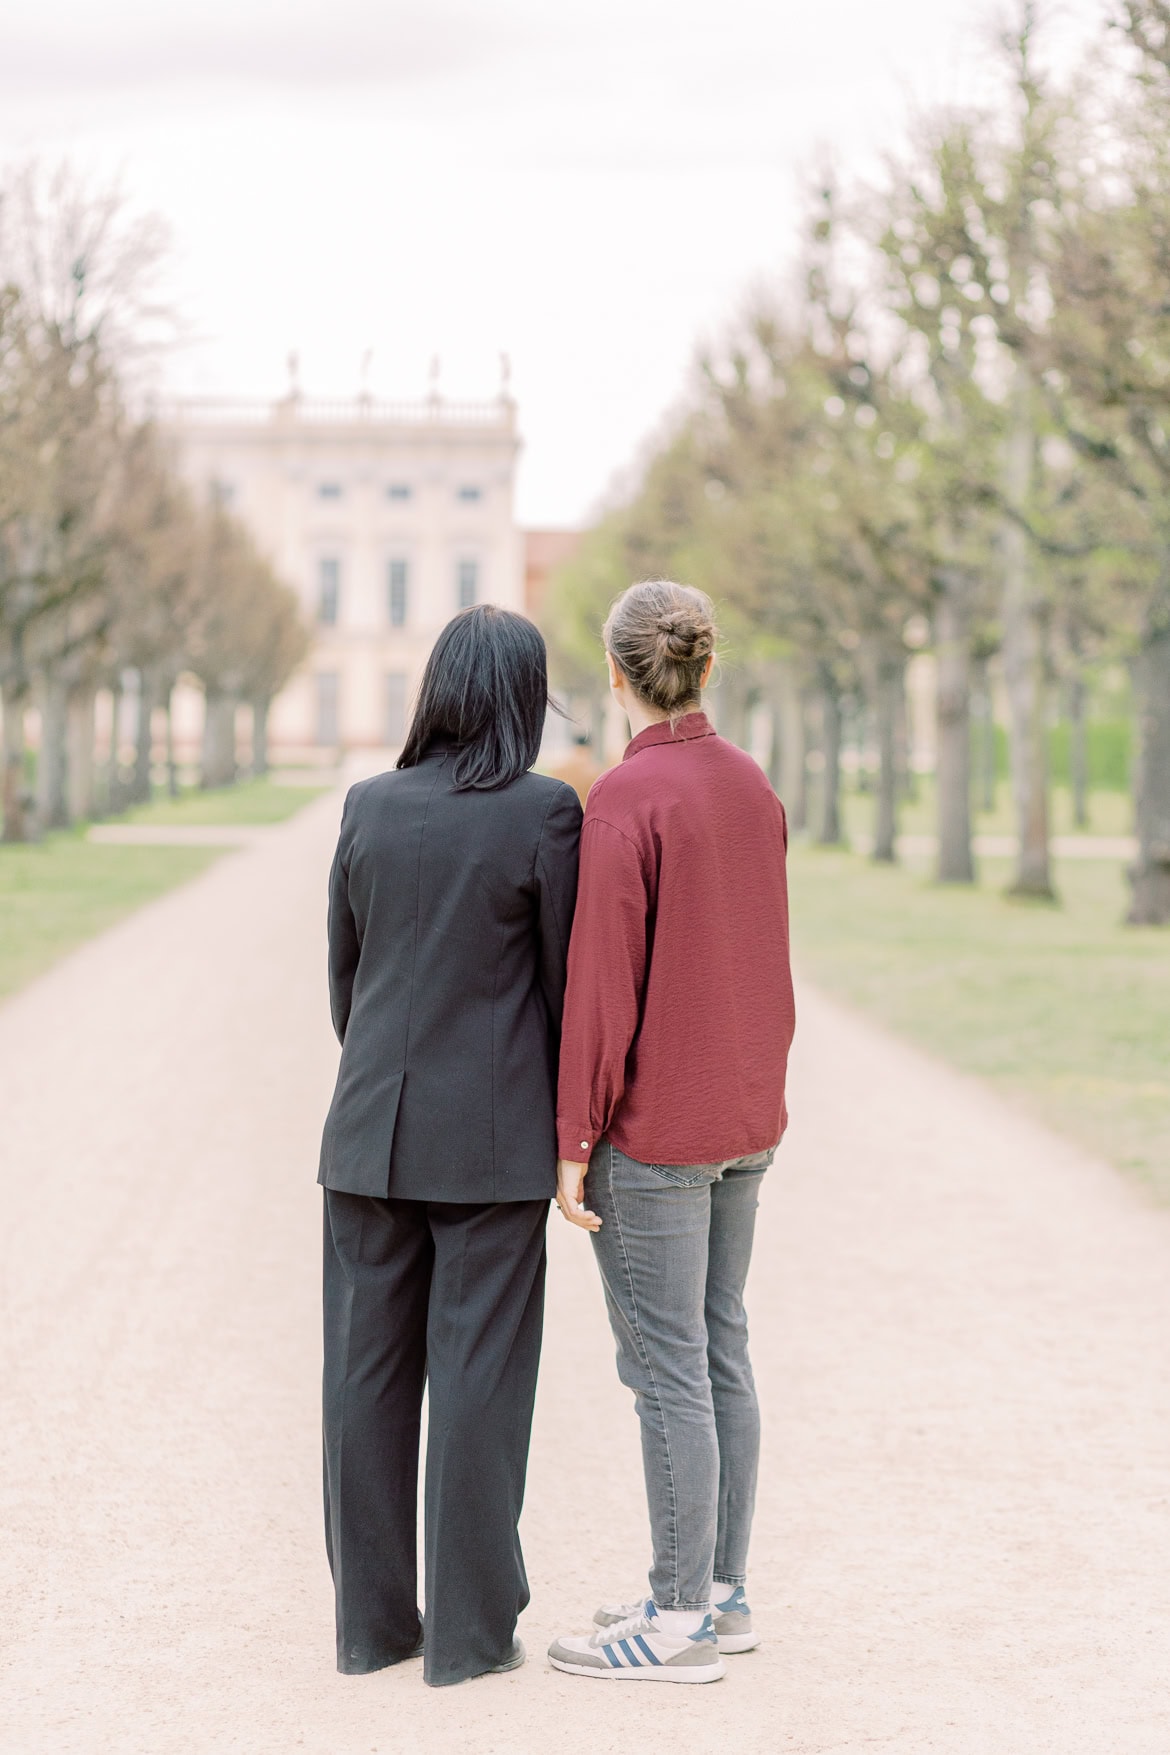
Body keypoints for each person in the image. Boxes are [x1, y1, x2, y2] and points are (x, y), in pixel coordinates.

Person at [318, 606, 582, 1687]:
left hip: (369, 1130)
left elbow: (345, 979)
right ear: (524, 697)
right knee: (479, 1382)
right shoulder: (546, 813)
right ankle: (472, 1638)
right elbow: (567, 989)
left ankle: (372, 1631)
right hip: (493, 1141)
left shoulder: (368, 806)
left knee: (362, 1380)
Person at [547, 580, 795, 1684]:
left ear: (615, 673)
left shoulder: (626, 799)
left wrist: (572, 1138)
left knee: (667, 1373)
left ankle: (678, 1618)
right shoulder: (752, 787)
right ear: (705, 666)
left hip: (659, 1133)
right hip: (746, 1118)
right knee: (719, 1348)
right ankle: (717, 1591)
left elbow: (601, 988)